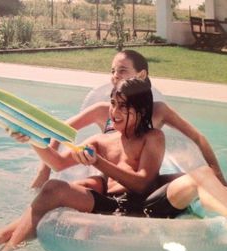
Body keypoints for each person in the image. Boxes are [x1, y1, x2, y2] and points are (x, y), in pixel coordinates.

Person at [0, 78, 166, 251]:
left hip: (133, 205)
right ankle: (7, 237)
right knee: (57, 187)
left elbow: (143, 184)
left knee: (69, 186)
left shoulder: (153, 137)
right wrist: (31, 140)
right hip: (109, 201)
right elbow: (58, 163)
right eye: (113, 103)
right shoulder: (102, 140)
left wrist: (97, 162)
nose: (114, 111)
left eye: (123, 106)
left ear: (141, 110)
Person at [19, 50, 225, 188]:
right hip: (109, 180)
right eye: (113, 71)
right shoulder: (102, 110)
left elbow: (198, 138)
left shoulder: (159, 110)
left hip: (143, 180)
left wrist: (219, 177)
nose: (115, 76)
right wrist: (43, 171)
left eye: (122, 71)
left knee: (198, 182)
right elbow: (60, 130)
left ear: (141, 74)